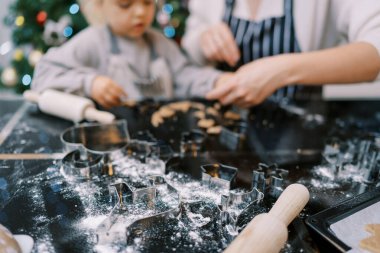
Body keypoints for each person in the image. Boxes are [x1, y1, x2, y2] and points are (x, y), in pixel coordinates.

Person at [32, 0, 231, 108]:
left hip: (158, 144)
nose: (140, 12)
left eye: (147, 3)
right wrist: (89, 83)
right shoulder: (92, 42)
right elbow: (43, 75)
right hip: (110, 146)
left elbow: (186, 76)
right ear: (100, 5)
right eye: (125, 4)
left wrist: (217, 81)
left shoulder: (159, 42)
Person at [182, 0, 380, 107]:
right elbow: (191, 44)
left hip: (302, 134)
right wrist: (203, 39)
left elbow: (374, 52)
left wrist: (282, 71)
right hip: (224, 127)